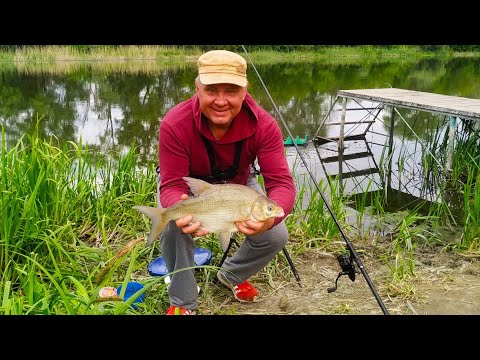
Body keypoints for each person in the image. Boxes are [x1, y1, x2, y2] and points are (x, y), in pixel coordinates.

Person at [157, 49, 296, 315]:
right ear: (197, 88)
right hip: (188, 187)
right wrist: (178, 206)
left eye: (231, 91)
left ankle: (231, 275)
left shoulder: (265, 125)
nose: (221, 101)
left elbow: (282, 183)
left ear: (245, 91)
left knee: (276, 235)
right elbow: (172, 183)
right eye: (212, 90)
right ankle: (183, 301)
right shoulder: (175, 123)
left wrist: (270, 218)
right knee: (175, 226)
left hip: (238, 190)